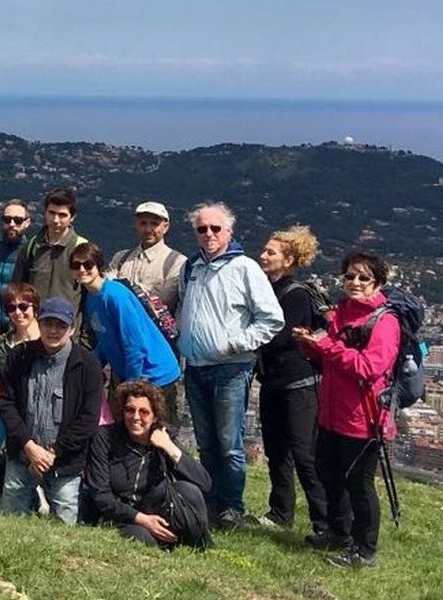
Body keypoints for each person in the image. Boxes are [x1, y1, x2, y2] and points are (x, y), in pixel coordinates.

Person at [177, 202, 284, 529]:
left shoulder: (245, 268)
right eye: (202, 229)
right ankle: (211, 501)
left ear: (229, 231)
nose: (208, 234)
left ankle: (232, 506)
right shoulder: (191, 267)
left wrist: (238, 342)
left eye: (215, 228)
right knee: (206, 443)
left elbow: (272, 318)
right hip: (195, 367)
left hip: (231, 368)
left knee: (229, 444)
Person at [293, 251, 400, 568]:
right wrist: (310, 346)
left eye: (364, 278)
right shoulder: (342, 313)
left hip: (364, 419)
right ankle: (339, 533)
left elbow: (370, 367)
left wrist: (326, 346)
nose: (355, 282)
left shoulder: (384, 321)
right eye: (350, 276)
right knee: (329, 474)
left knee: (359, 484)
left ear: (377, 283)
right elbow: (331, 359)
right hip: (332, 412)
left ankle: (365, 550)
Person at [0, 296, 102, 524]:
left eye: (60, 325)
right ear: (39, 323)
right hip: (22, 454)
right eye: (48, 323)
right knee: (7, 523)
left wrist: (53, 452)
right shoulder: (19, 356)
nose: (53, 331)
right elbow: (6, 403)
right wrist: (29, 446)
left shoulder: (88, 364)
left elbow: (89, 420)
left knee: (65, 527)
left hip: (65, 461)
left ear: (72, 329)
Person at [255, 226, 329, 538]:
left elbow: (279, 337)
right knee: (276, 451)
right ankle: (280, 512)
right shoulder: (268, 290)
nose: (263, 256)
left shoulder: (295, 294)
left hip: (299, 383)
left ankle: (324, 521)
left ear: (288, 260)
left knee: (304, 454)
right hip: (273, 381)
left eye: (270, 252)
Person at [87, 380, 212, 549]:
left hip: (156, 507)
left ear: (155, 416)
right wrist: (142, 519)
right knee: (143, 539)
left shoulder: (163, 437)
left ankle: (199, 544)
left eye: (144, 412)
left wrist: (168, 447)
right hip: (122, 515)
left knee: (188, 491)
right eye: (129, 410)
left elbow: (204, 483)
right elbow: (101, 495)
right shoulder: (105, 438)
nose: (135, 417)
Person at [71, 242, 182, 420]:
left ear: (99, 266)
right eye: (76, 265)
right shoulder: (91, 299)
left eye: (88, 264)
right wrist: (88, 369)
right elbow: (105, 341)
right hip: (130, 375)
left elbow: (135, 346)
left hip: (154, 376)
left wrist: (131, 389)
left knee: (157, 432)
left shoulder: (115, 295)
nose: (82, 270)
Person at [107, 201, 187, 314]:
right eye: (143, 223)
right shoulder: (120, 258)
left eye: (154, 224)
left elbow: (163, 301)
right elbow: (106, 290)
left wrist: (121, 289)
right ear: (136, 225)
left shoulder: (178, 263)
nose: (148, 229)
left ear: (165, 227)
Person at [12, 187, 88, 306]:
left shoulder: (81, 248)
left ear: (72, 217)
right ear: (45, 212)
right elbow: (17, 288)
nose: (56, 220)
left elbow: (90, 291)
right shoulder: (31, 247)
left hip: (68, 318)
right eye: (51, 213)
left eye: (62, 215)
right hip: (35, 317)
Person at [0, 199, 31, 330]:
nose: (12, 224)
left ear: (27, 223)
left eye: (18, 220)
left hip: (17, 326)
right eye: (7, 220)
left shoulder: (31, 252)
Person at [0, 282, 40, 373]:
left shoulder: (49, 337)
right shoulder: (2, 346)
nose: (17, 312)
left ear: (35, 308)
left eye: (23, 306)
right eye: (11, 308)